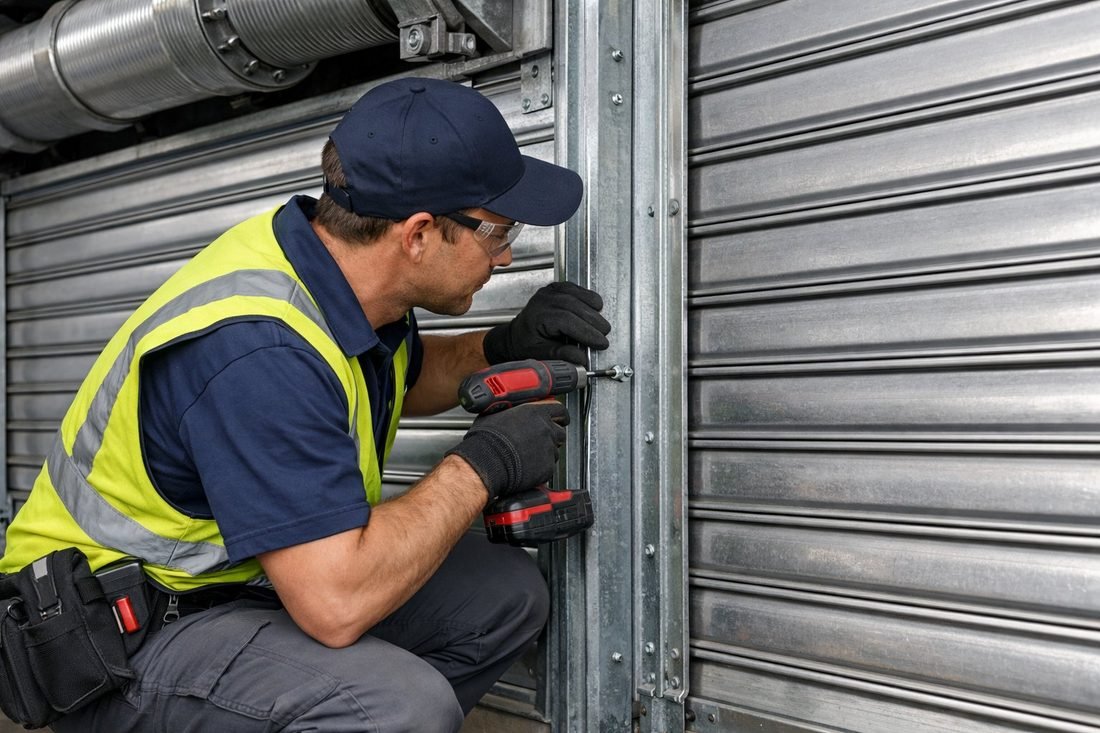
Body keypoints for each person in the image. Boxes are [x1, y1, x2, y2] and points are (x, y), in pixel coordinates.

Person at [0, 77, 611, 732]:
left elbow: (400, 376)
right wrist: (480, 466)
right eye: (496, 231)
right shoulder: (258, 350)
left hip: (233, 584)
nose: (507, 253)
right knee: (396, 707)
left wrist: (502, 345)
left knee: (503, 595)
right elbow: (335, 601)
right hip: (117, 640)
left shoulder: (340, 276)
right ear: (419, 234)